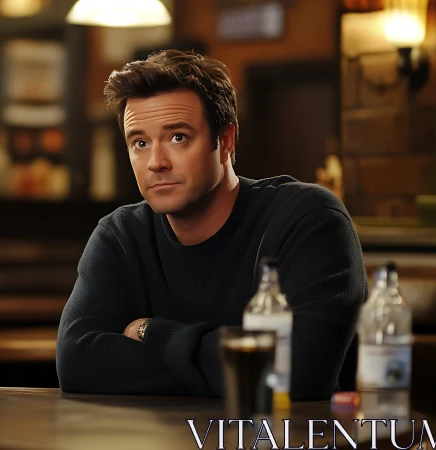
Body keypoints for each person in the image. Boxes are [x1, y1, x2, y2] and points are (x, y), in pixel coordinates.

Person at [55, 50, 367, 400]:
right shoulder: (121, 234)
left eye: (178, 137)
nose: (156, 162)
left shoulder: (309, 219)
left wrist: (152, 333)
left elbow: (296, 374)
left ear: (226, 141)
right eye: (140, 143)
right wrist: (239, 369)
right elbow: (77, 362)